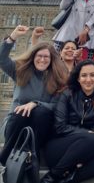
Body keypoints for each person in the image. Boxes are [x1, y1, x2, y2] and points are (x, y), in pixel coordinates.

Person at [40, 60, 94, 183]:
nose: (88, 79)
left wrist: (88, 141)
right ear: (78, 78)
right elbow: (60, 127)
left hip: (87, 148)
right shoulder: (67, 94)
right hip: (59, 146)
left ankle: (70, 179)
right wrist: (87, 134)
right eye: (84, 75)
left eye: (92, 75)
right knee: (93, 139)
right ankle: (52, 176)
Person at [0, 25, 68, 165]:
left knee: (41, 111)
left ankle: (33, 156)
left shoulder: (56, 78)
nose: (42, 60)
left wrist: (35, 104)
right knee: (21, 112)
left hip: (39, 128)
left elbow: (56, 105)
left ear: (51, 60)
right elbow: (2, 59)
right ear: (33, 57)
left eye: (46, 57)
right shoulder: (20, 70)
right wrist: (12, 38)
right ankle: (4, 157)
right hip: (16, 125)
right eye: (39, 56)